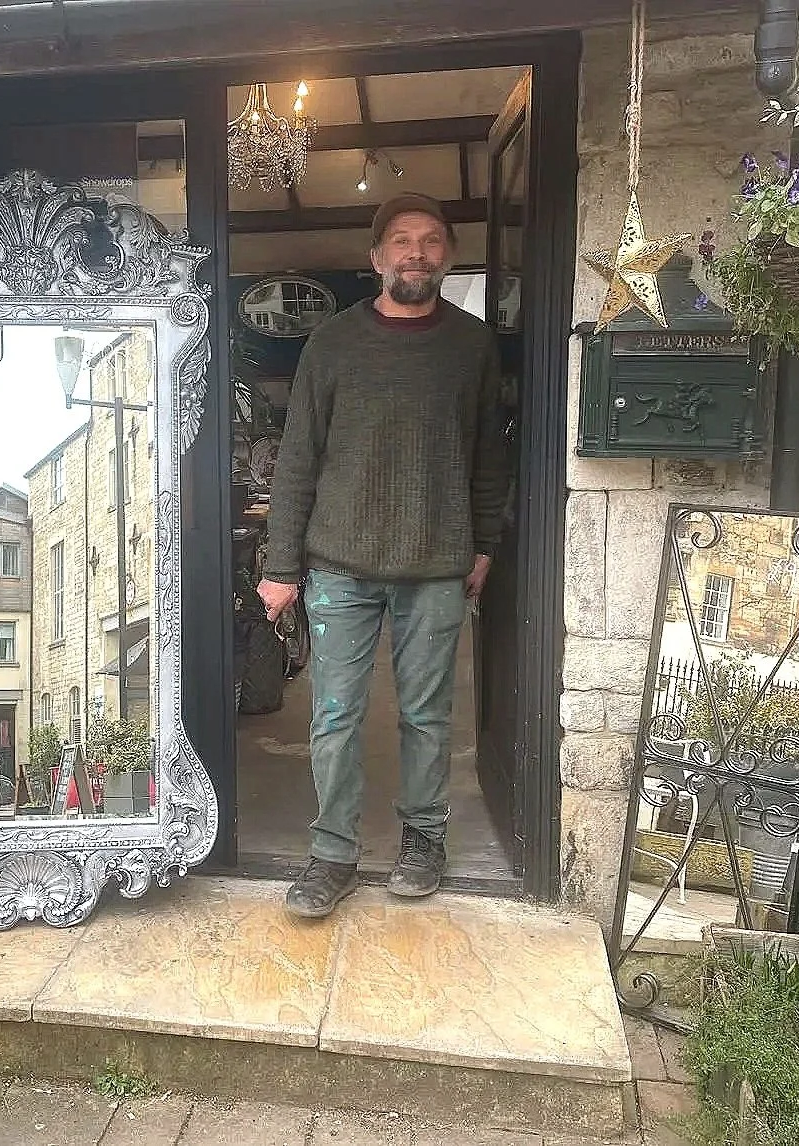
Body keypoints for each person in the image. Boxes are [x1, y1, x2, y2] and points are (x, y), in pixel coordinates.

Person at [257, 192, 509, 919]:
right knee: (334, 717)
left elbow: (488, 455)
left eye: (430, 241)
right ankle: (332, 854)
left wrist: (484, 542)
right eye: (401, 240)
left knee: (428, 717)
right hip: (339, 565)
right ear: (377, 258)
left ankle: (423, 842)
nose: (416, 253)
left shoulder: (471, 345)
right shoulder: (332, 343)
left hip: (437, 564)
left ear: (447, 256)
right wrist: (281, 567)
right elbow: (297, 458)